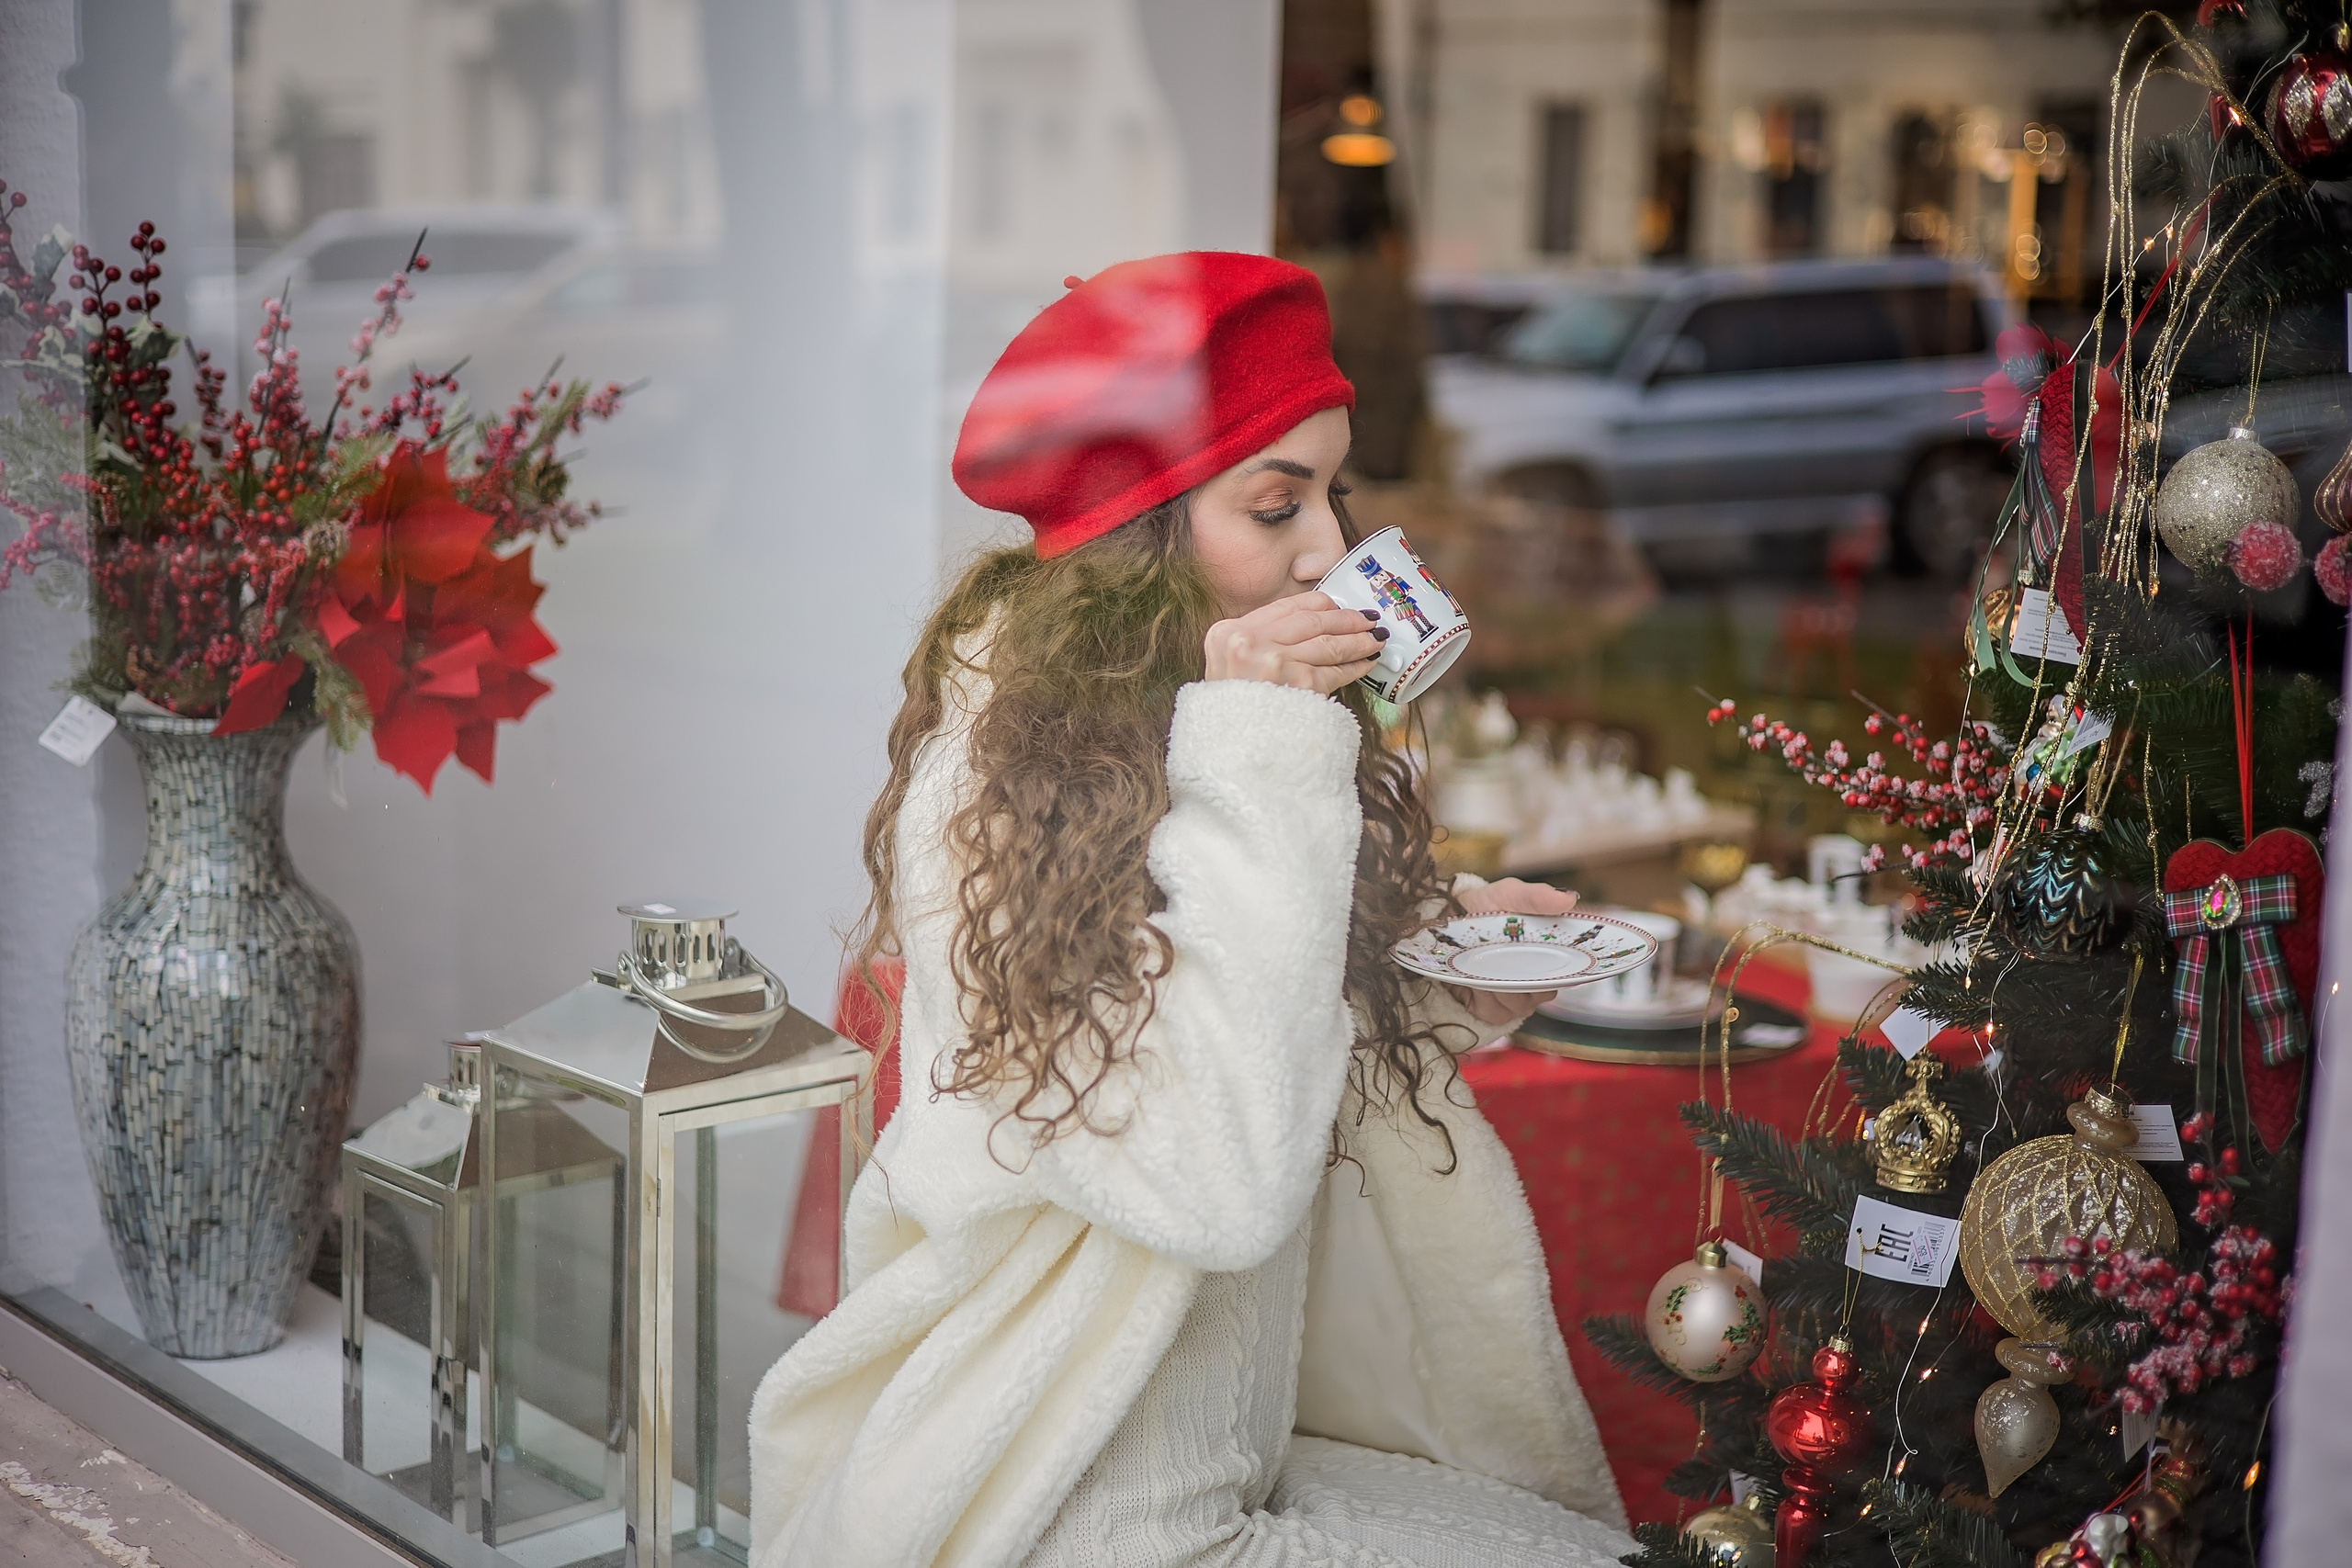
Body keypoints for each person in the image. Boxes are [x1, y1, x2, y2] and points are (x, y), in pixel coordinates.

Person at [749, 254, 1634, 1568]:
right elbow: (1217, 1175)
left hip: (1220, 1463)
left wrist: (1442, 991)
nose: (1331, 548)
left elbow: (1232, 1021)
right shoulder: (1002, 787)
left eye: (1334, 493)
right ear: (1138, 542)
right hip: (1070, 1499)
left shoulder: (1165, 729)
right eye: (1277, 505)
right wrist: (1269, 732)